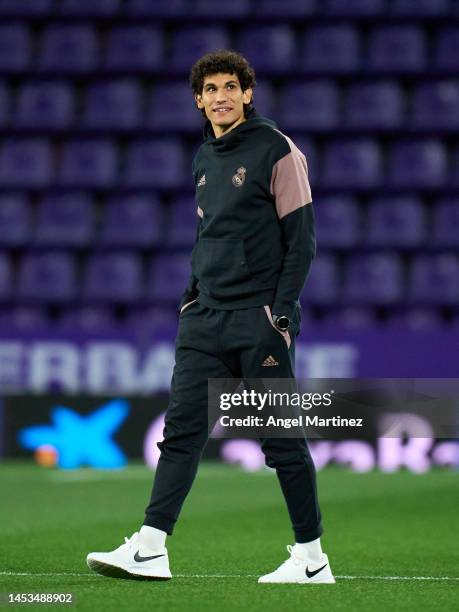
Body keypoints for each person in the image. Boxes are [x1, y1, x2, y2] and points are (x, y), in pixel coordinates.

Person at [87, 50, 334, 585]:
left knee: (280, 440)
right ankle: (152, 547)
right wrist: (191, 296)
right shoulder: (204, 158)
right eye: (210, 90)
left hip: (258, 317)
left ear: (248, 93)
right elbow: (208, 235)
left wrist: (283, 314)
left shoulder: (278, 150)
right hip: (205, 318)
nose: (220, 97)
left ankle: (312, 557)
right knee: (180, 433)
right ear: (198, 100)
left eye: (230, 87)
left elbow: (303, 242)